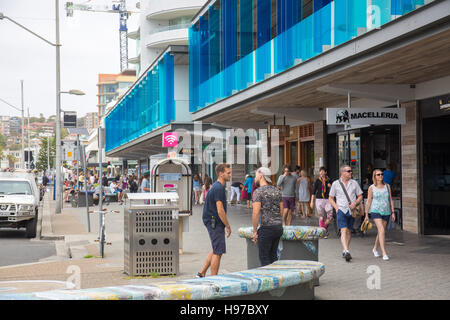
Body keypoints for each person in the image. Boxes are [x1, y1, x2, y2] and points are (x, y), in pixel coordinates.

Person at [198, 164, 232, 278]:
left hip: (212, 221)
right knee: (218, 252)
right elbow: (220, 210)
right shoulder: (218, 188)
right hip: (214, 222)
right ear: (221, 174)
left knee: (215, 248)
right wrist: (227, 225)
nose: (230, 175)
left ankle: (202, 273)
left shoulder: (218, 186)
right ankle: (213, 280)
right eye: (228, 173)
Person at [329, 165, 363, 262]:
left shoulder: (354, 183)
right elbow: (330, 198)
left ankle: (345, 250)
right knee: (343, 230)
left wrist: (355, 203)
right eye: (348, 171)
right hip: (341, 210)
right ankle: (346, 250)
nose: (350, 172)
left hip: (351, 211)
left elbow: (360, 196)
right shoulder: (335, 184)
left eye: (351, 171)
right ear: (342, 172)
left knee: (349, 231)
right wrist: (337, 208)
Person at [252, 167, 284, 266]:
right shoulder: (277, 191)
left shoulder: (258, 192)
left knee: (264, 258)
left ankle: (268, 280)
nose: (255, 177)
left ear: (261, 175)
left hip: (266, 228)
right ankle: (276, 279)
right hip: (278, 227)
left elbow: (256, 213)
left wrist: (254, 230)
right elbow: (282, 211)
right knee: (273, 256)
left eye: (256, 175)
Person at [365, 169, 395, 261]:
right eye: (378, 174)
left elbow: (390, 199)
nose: (381, 176)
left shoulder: (387, 186)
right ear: (375, 176)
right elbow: (369, 201)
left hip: (386, 211)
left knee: (381, 231)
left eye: (382, 174)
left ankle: (374, 248)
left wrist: (393, 212)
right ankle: (384, 252)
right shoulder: (371, 187)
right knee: (381, 229)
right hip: (375, 210)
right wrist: (366, 214)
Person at [310, 167, 333, 237]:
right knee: (321, 216)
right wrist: (311, 202)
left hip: (328, 199)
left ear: (325, 172)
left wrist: (330, 186)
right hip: (319, 199)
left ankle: (324, 229)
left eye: (323, 171)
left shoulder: (329, 180)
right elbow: (313, 191)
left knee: (330, 215)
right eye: (320, 171)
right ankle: (323, 232)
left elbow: (334, 190)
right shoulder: (317, 181)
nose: (321, 173)